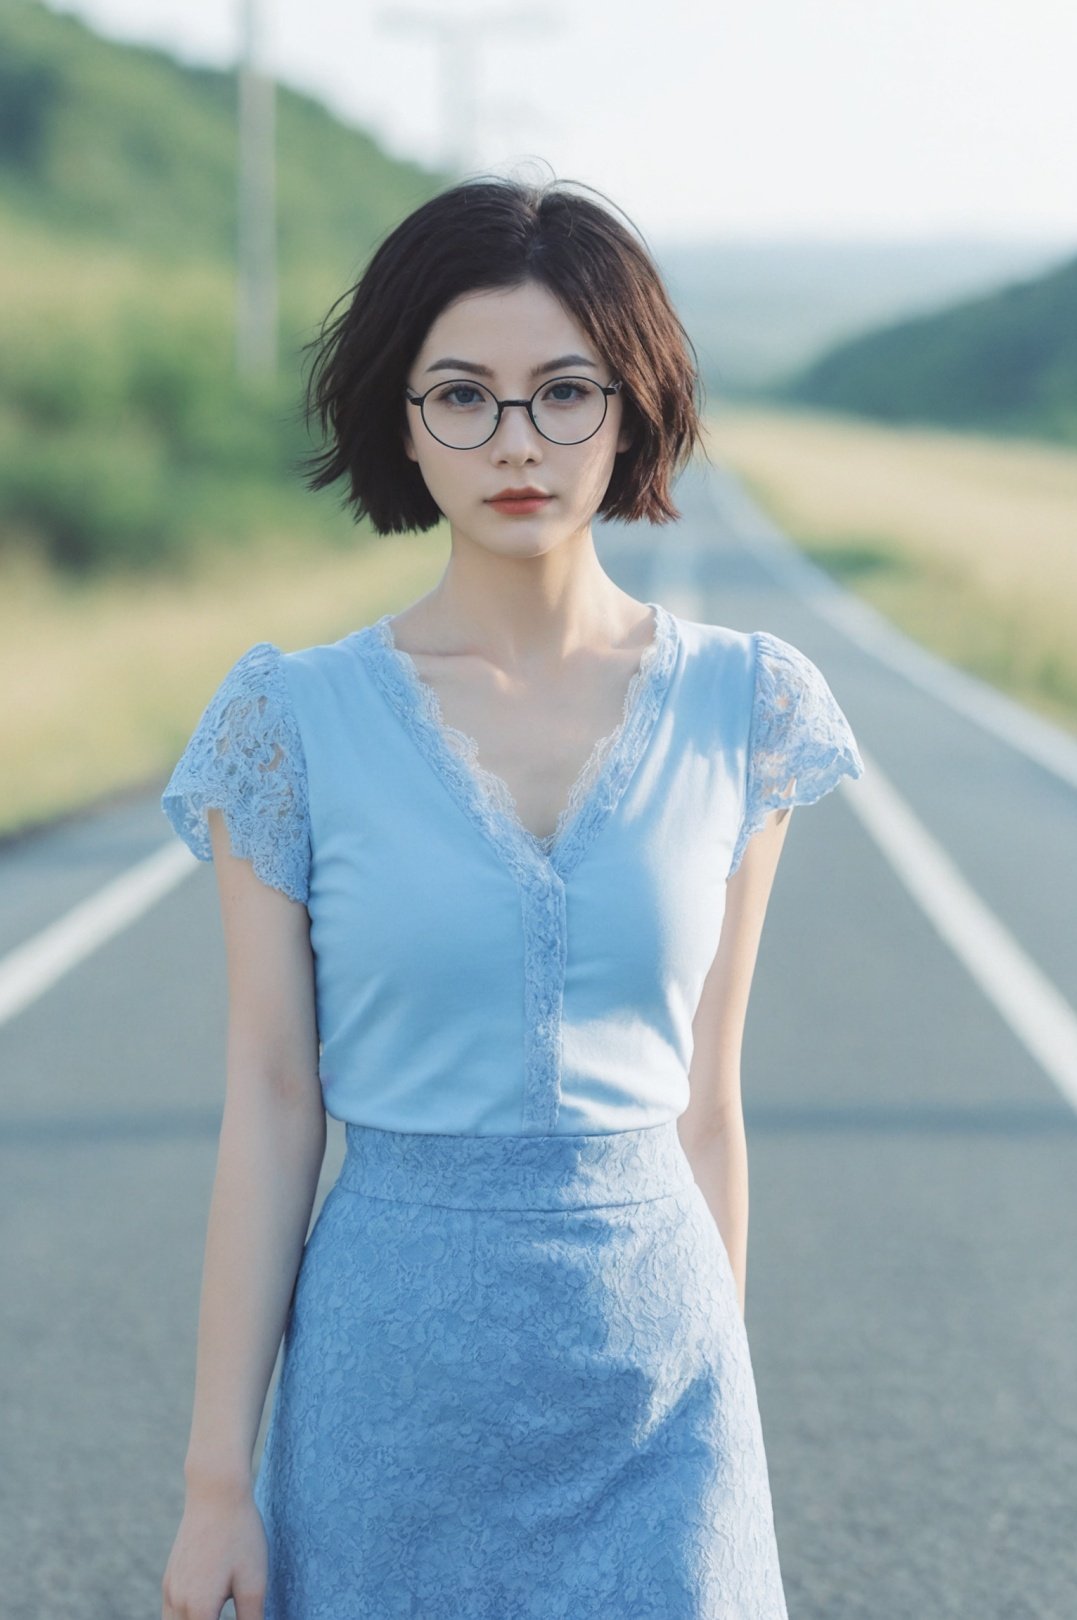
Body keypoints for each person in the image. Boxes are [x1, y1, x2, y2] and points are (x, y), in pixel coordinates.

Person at [159, 171, 865, 1620]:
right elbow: (272, 1098)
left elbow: (709, 1104)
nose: (517, 442)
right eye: (462, 396)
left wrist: (718, 1399)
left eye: (563, 392)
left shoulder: (748, 705)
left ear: (633, 403)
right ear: (399, 419)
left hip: (662, 1395)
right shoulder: (289, 723)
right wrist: (216, 1483)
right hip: (387, 1399)